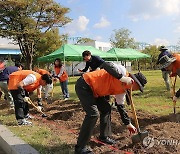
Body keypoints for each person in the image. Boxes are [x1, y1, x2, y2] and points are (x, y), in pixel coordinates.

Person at [75, 62, 147, 154]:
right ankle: (80, 148)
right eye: (137, 88)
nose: (135, 90)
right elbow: (106, 65)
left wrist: (128, 124)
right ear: (134, 81)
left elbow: (121, 107)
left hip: (95, 92)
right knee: (93, 114)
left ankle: (104, 137)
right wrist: (122, 78)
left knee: (106, 109)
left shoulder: (122, 91)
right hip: (85, 84)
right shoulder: (122, 71)